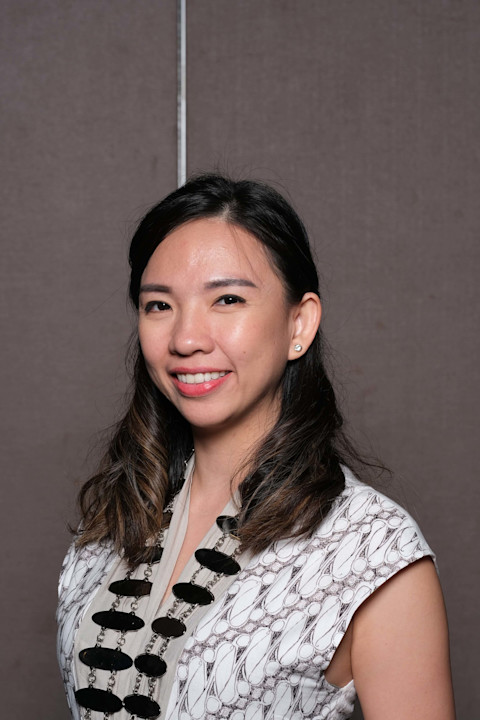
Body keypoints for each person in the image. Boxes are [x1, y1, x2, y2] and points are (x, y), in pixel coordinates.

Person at [57, 174, 455, 720]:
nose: (186, 339)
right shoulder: (109, 519)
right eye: (159, 305)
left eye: (227, 299)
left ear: (299, 322)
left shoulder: (373, 550)